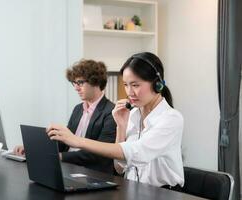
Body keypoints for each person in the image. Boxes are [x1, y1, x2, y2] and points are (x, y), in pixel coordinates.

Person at [47, 52, 184, 189]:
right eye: (126, 84)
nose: (129, 92)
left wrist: (77, 141)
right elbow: (119, 168)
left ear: (157, 84)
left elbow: (138, 153)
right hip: (135, 191)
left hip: (163, 194)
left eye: (135, 85)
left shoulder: (171, 118)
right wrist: (121, 126)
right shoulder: (133, 114)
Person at [14, 59, 116, 173]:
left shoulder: (111, 112)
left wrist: (59, 157)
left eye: (80, 83)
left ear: (95, 82)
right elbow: (64, 142)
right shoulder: (78, 109)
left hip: (92, 173)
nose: (76, 88)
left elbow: (100, 154)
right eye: (74, 83)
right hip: (69, 168)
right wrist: (33, 150)